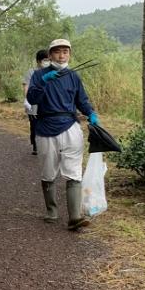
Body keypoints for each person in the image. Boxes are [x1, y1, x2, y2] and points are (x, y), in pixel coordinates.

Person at [25, 39, 100, 231]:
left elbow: (81, 99)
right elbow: (31, 98)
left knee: (74, 171)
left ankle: (74, 217)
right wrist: (42, 82)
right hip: (45, 127)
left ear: (69, 54)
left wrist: (90, 113)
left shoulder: (73, 75)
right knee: (48, 172)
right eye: (57, 52)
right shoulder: (39, 75)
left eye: (65, 52)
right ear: (50, 55)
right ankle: (52, 211)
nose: (61, 55)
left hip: (70, 125)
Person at [23, 49, 50, 155]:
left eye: (49, 59)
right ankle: (36, 146)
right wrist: (27, 99)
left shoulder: (51, 72)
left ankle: (47, 145)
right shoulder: (31, 72)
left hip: (47, 103)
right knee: (34, 125)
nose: (47, 62)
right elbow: (26, 86)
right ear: (38, 61)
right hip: (33, 103)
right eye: (45, 60)